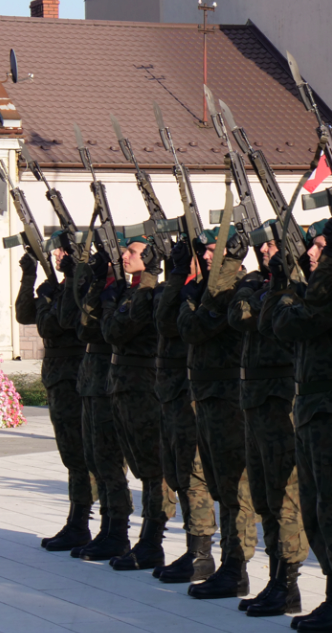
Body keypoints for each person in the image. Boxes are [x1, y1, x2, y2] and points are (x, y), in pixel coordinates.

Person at [271, 219, 332, 633]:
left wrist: (329, 269)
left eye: (325, 247)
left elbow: (313, 312)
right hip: (309, 411)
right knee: (314, 510)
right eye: (314, 247)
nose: (313, 254)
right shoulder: (313, 292)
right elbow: (280, 324)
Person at [175, 226, 258, 600]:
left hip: (230, 400)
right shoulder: (207, 290)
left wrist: (194, 304)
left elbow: (193, 329)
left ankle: (237, 567)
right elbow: (176, 325)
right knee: (220, 486)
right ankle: (227, 563)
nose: (207, 257)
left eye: (215, 250)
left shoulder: (238, 288)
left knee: (237, 489)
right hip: (207, 396)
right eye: (204, 251)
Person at [230, 223, 309, 617]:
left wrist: (270, 289)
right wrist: (256, 288)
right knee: (263, 495)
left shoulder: (299, 287)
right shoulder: (261, 285)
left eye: (273, 245)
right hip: (257, 402)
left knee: (286, 494)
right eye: (261, 246)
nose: (265, 251)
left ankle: (289, 582)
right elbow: (237, 315)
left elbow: (262, 321)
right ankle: (277, 576)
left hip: (282, 402)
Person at [102, 236, 177, 570]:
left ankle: (152, 540)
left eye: (132, 252)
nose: (124, 256)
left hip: (144, 387)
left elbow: (118, 329)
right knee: (142, 467)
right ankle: (142, 538)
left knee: (154, 469)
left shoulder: (153, 292)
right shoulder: (131, 290)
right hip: (123, 385)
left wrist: (144, 283)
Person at [14, 239, 93, 551]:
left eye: (63, 250)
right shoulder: (60, 287)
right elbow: (24, 314)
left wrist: (52, 295)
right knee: (71, 454)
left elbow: (56, 323)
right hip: (59, 380)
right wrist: (28, 277)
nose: (57, 255)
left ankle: (84, 522)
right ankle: (76, 521)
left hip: (76, 378)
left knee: (82, 455)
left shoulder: (83, 286)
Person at [153, 243, 217, 584]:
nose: (204, 257)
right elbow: (162, 321)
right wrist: (177, 275)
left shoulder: (214, 291)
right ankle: (194, 547)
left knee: (195, 474)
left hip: (197, 394)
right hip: (174, 392)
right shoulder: (183, 288)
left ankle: (202, 553)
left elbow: (175, 327)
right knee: (178, 471)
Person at [70, 242, 133, 560]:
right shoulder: (104, 287)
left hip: (110, 382)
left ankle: (117, 531)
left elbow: (92, 329)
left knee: (110, 461)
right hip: (93, 382)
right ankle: (106, 528)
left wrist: (100, 291)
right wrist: (92, 283)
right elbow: (78, 325)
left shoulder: (125, 291)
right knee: (96, 460)